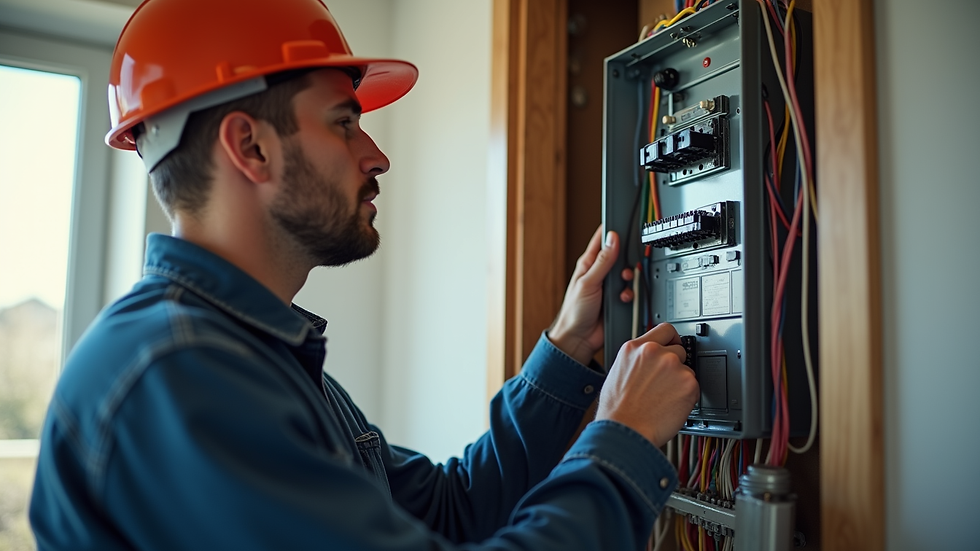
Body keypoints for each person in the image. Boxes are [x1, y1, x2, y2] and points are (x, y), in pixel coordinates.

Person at [29, 0, 699, 549]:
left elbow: (452, 509)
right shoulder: (178, 375)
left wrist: (565, 348)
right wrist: (623, 441)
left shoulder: (255, 354)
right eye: (344, 123)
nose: (376, 156)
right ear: (251, 147)